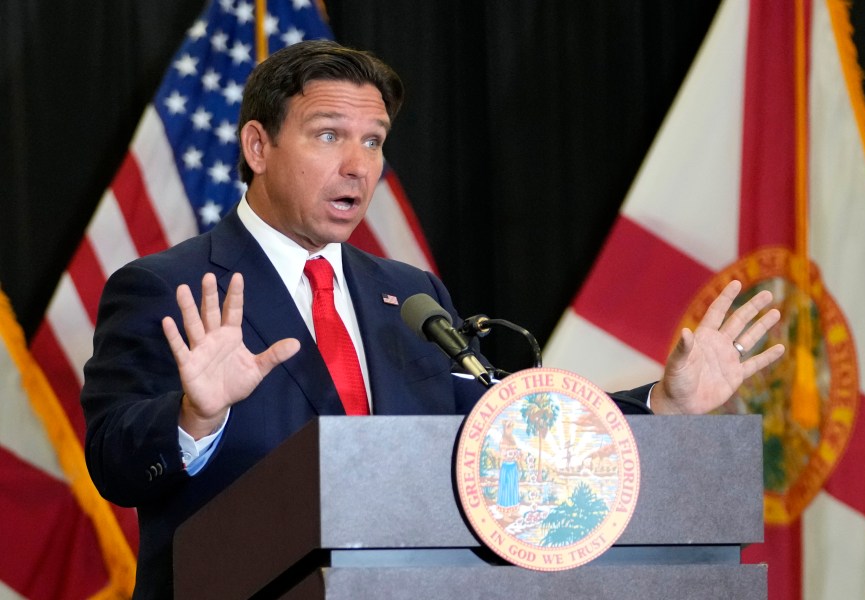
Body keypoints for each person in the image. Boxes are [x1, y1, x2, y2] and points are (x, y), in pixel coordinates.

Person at [81, 40, 784, 598]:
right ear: (258, 147)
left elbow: (505, 433)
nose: (359, 166)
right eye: (330, 137)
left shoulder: (408, 295)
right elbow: (115, 462)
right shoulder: (166, 286)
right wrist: (193, 417)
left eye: (374, 140)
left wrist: (665, 405)